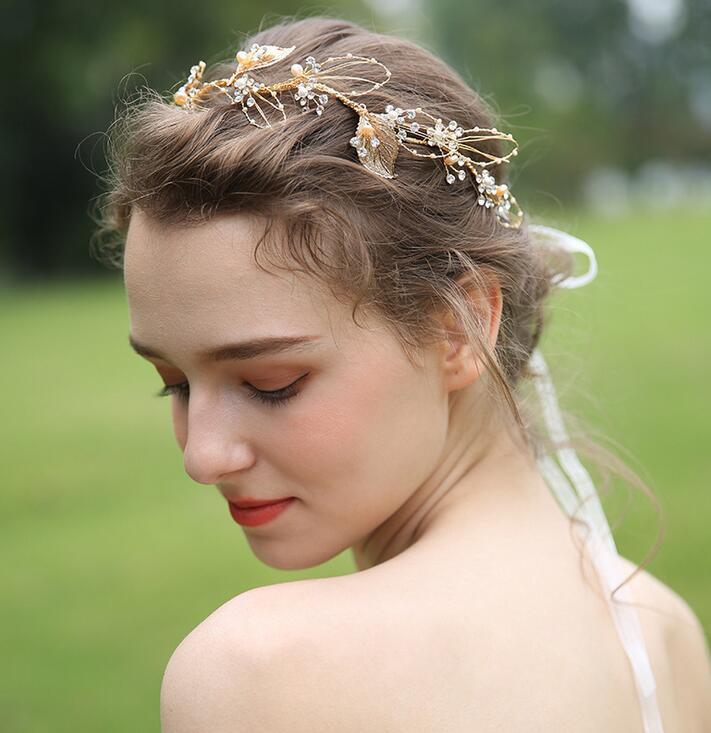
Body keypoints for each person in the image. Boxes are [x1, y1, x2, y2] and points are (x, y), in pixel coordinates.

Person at [92, 16, 711, 732]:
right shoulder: (663, 636)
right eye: (175, 383)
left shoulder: (261, 672)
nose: (202, 456)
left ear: (458, 325)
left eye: (271, 382)